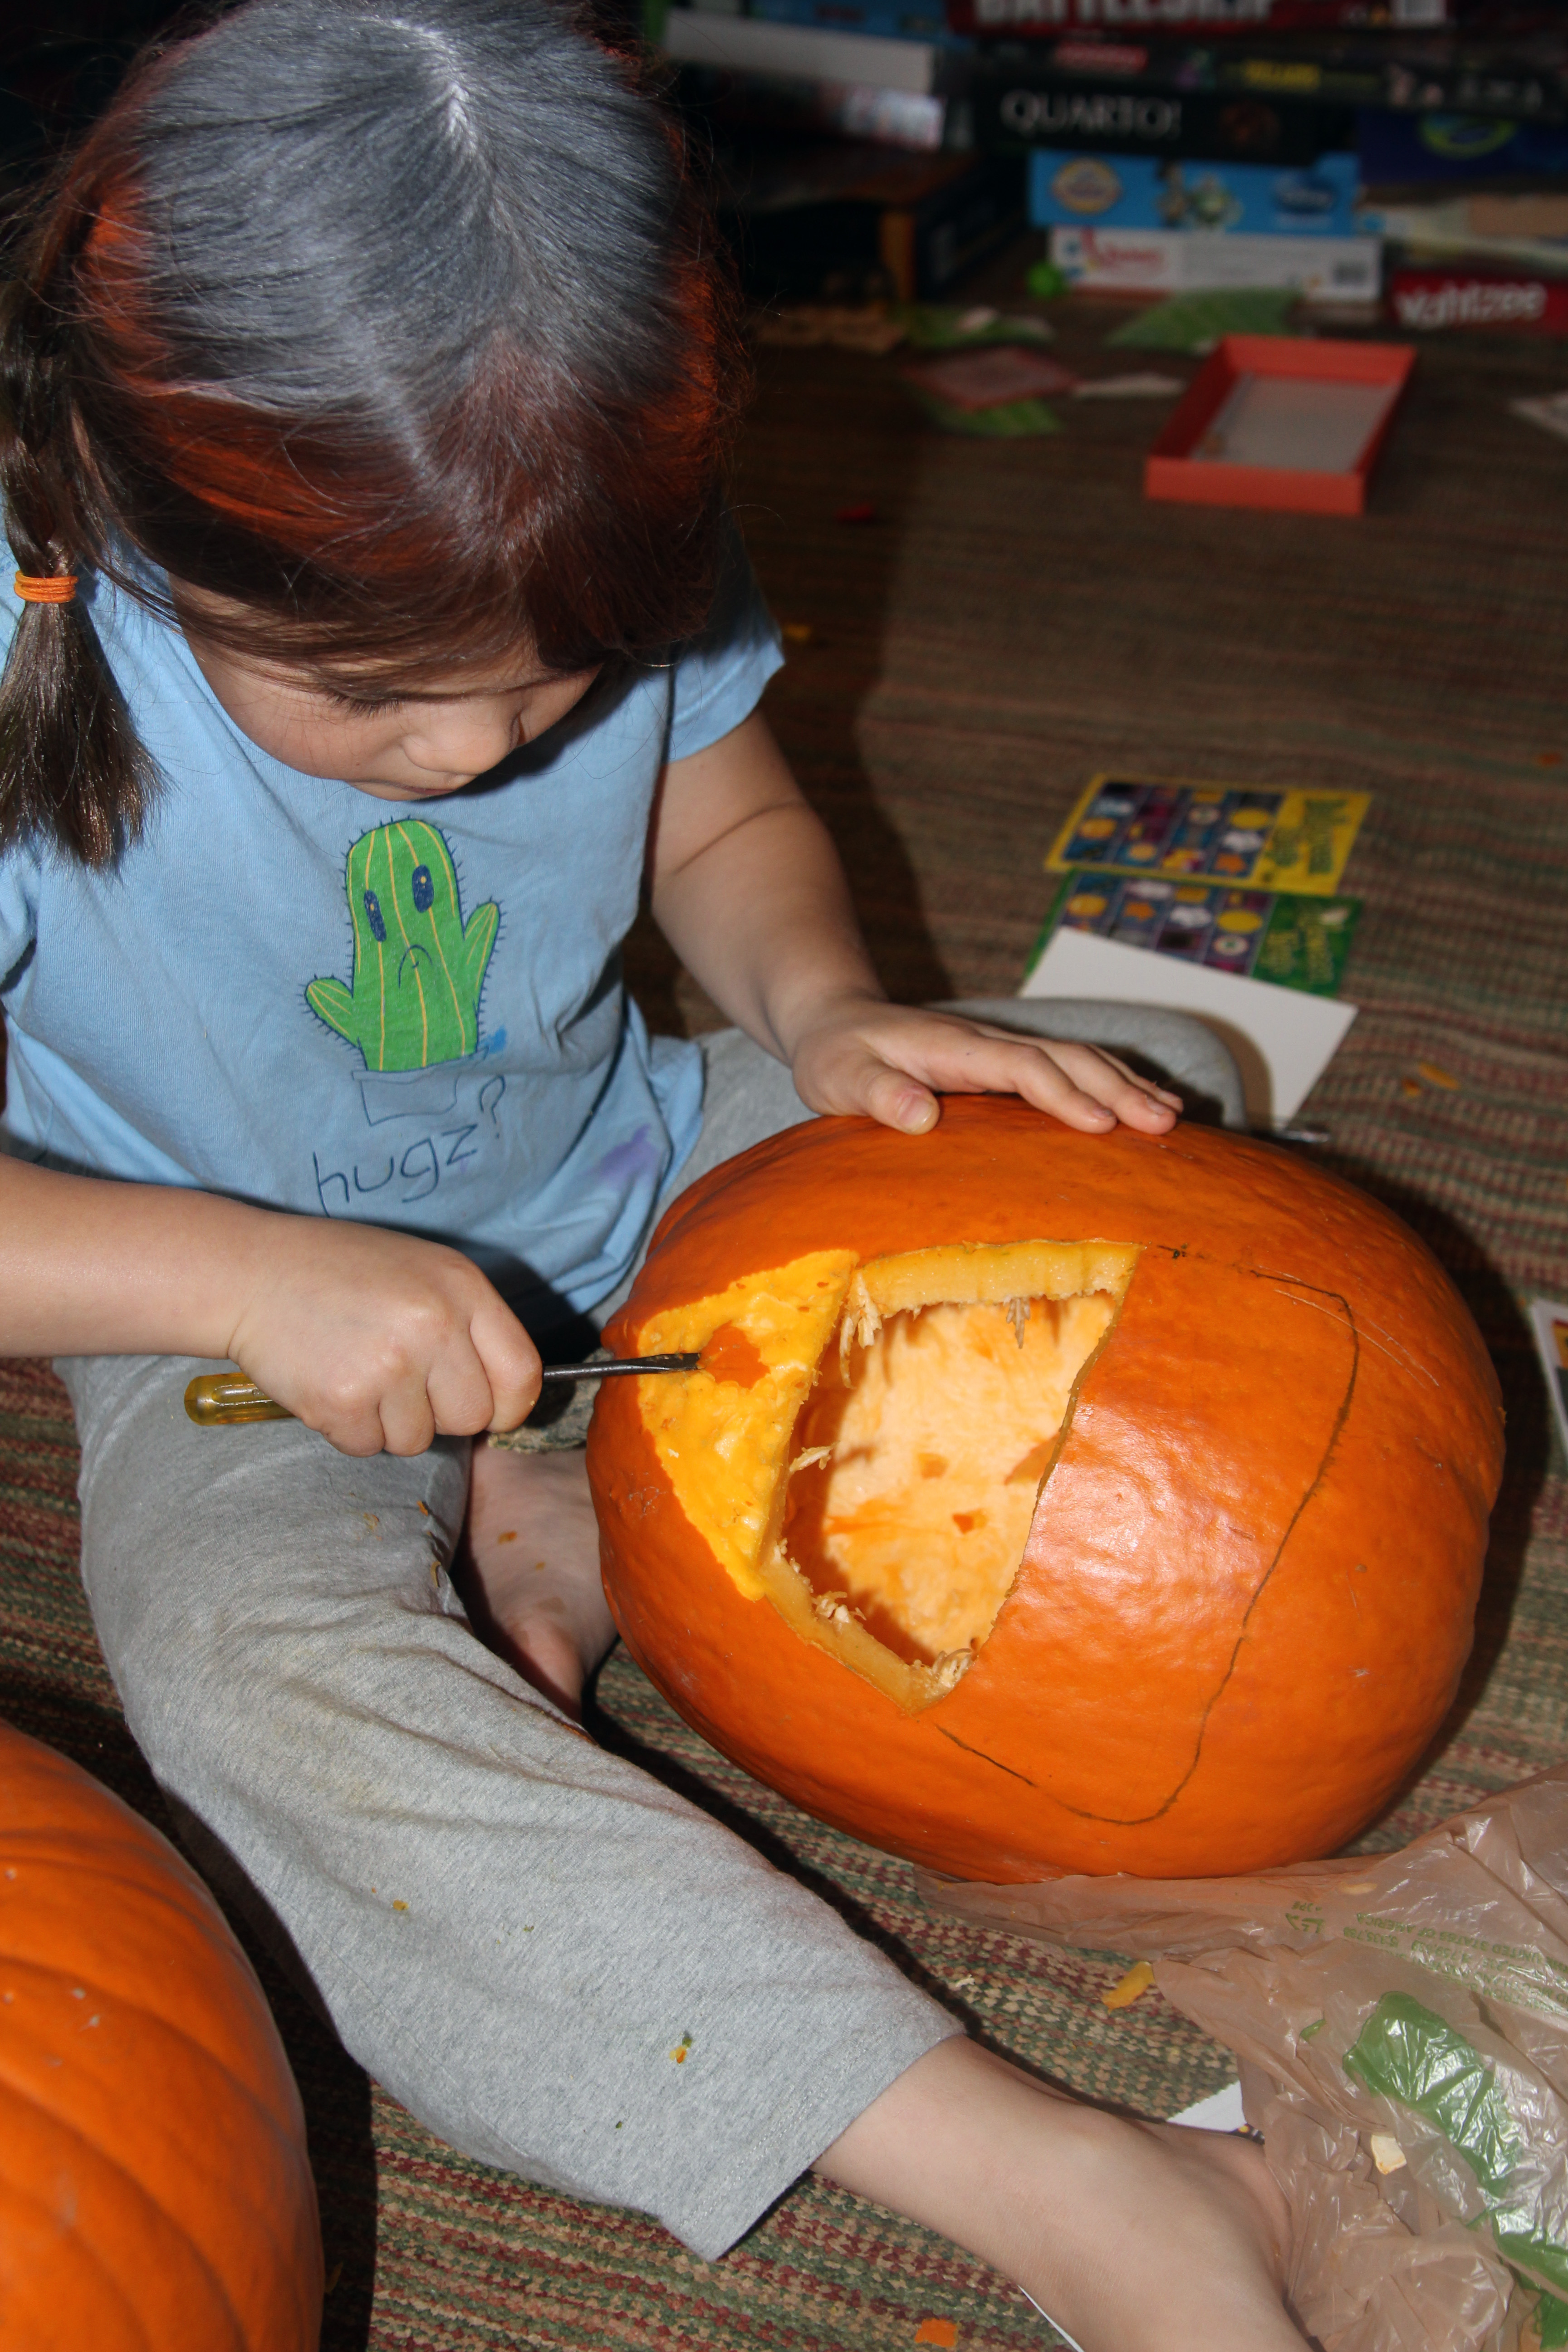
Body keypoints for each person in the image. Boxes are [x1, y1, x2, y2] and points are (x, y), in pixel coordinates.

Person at [0, 4, 1302, 2343]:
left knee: (1147, 1080)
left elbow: (724, 810)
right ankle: (1058, 2182)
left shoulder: (587, 492)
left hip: (635, 1162)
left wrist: (826, 1012)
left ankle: (557, 1480)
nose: (476, 753)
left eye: (556, 689)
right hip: (216, 1327)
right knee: (251, 1686)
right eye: (371, 697)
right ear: (104, 492)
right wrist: (242, 1280)